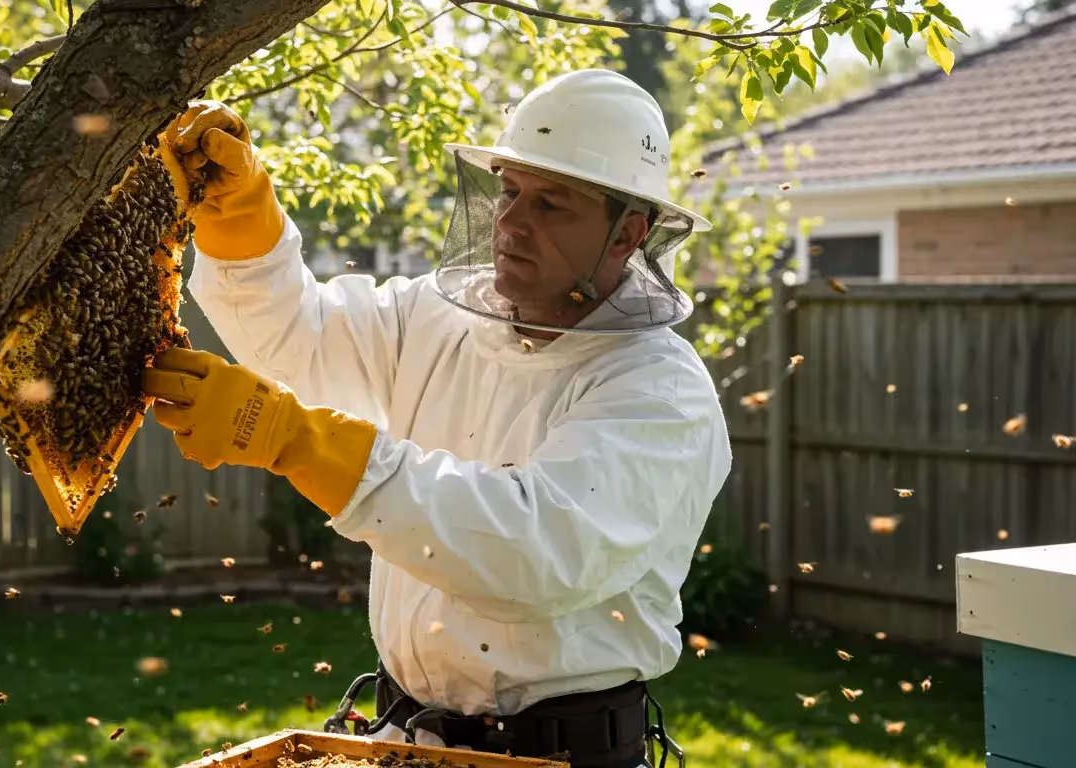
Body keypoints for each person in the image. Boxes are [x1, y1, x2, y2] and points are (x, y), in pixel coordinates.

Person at [144, 69, 732, 768]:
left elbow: (531, 550)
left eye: (552, 205)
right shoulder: (436, 315)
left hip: (563, 756)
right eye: (510, 191)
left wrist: (298, 441)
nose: (511, 222)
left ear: (627, 234)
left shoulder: (658, 390)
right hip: (402, 739)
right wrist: (241, 218)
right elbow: (299, 338)